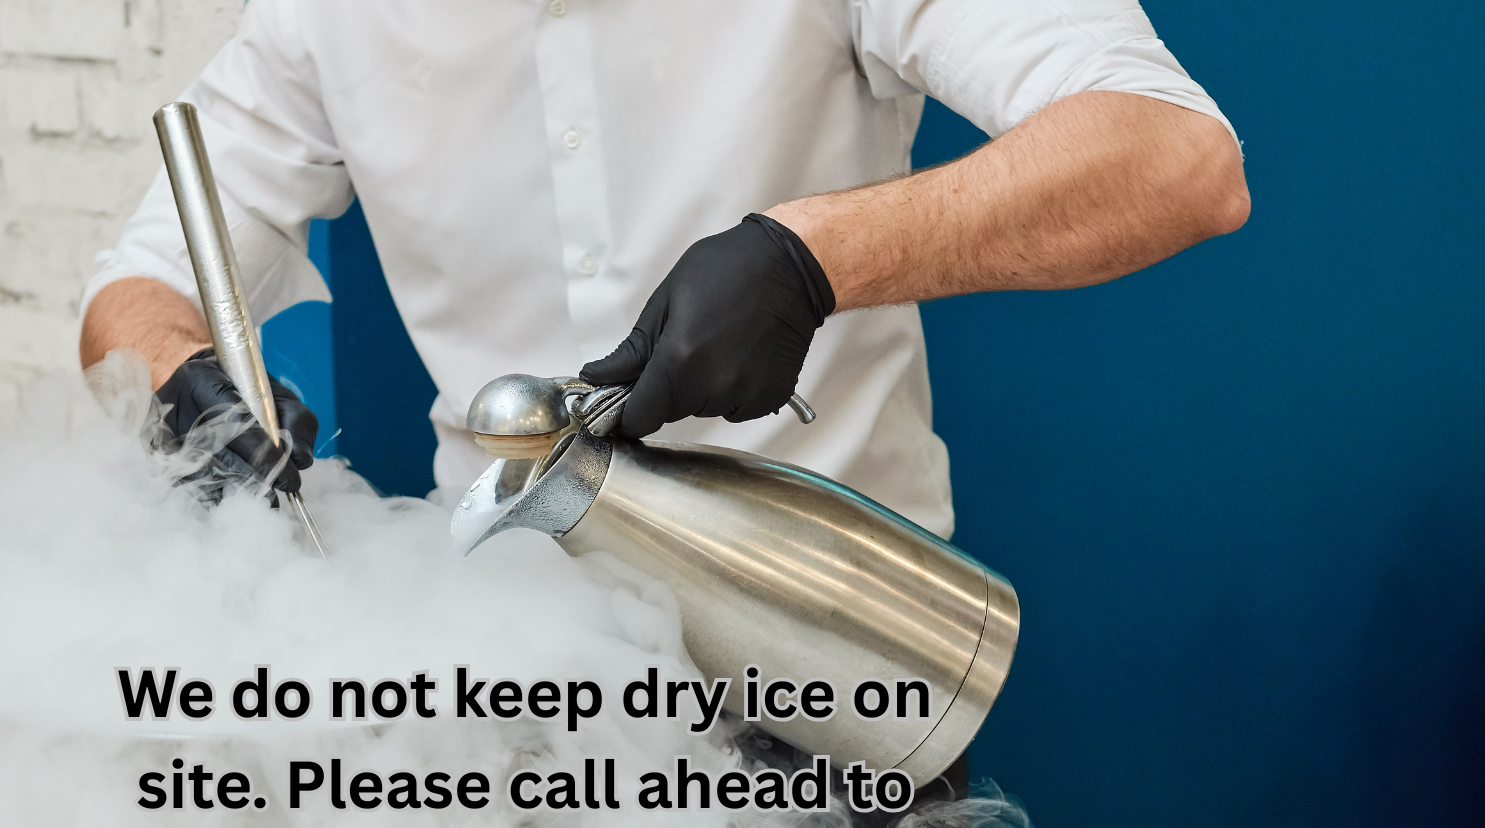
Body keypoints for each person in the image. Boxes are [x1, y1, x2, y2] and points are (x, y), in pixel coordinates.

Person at [79, 0, 1246, 538]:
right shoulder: (319, 17)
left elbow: (1176, 158)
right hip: (516, 687)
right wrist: (183, 385)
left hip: (836, 663)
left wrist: (812, 258)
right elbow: (131, 290)